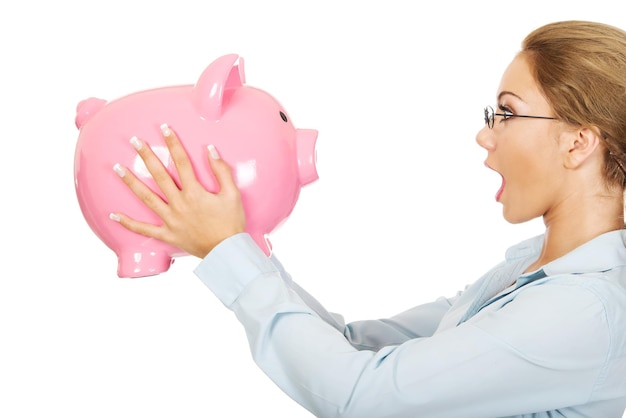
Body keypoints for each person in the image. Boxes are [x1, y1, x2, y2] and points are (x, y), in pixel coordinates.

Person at [108, 20, 626, 418]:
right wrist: (236, 239)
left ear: (578, 142)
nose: (486, 134)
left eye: (507, 113)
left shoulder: (584, 309)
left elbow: (361, 395)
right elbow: (355, 344)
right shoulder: (527, 271)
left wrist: (227, 251)